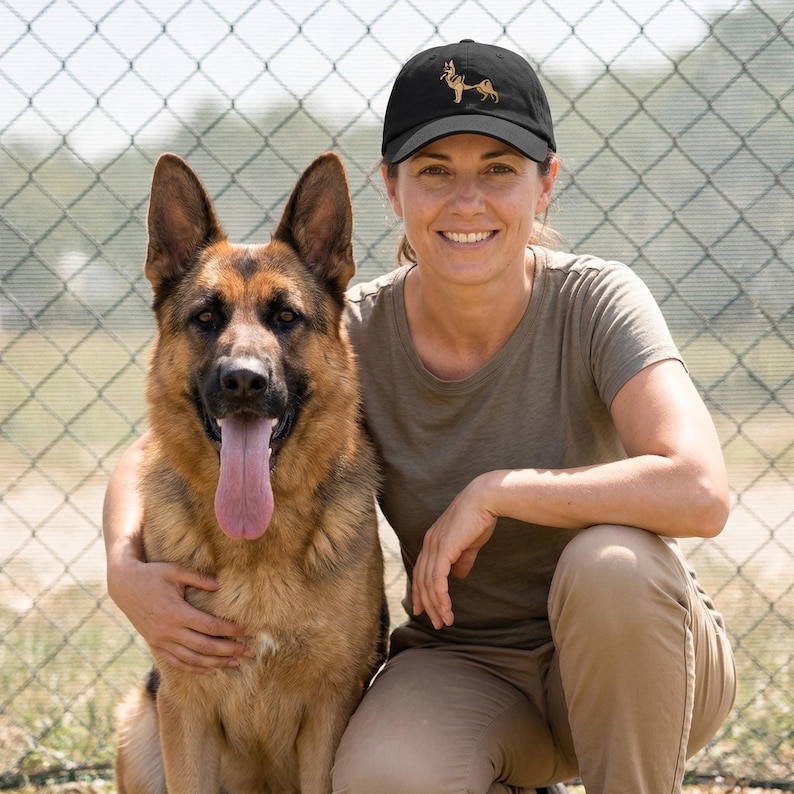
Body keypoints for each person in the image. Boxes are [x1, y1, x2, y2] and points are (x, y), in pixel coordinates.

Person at [103, 40, 736, 793]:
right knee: (382, 777)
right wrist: (123, 569)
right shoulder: (345, 334)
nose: (467, 201)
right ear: (393, 190)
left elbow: (700, 490)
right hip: (470, 672)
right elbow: (155, 448)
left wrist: (499, 492)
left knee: (611, 565)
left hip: (640, 661)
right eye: (435, 171)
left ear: (545, 184)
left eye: (498, 169)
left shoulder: (599, 301)